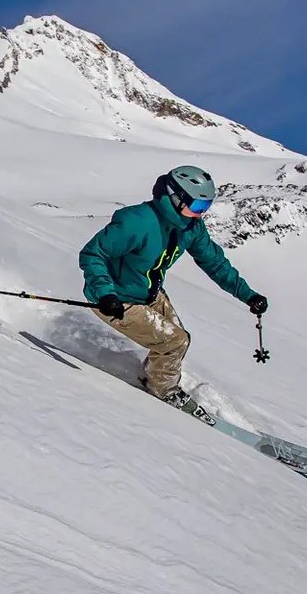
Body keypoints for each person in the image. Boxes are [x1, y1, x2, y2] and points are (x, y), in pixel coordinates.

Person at [78, 165, 269, 411]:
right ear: (175, 197)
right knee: (174, 342)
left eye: (206, 207)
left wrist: (248, 295)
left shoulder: (190, 227)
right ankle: (162, 392)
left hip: (149, 293)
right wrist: (106, 293)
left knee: (179, 339)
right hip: (116, 300)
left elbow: (214, 263)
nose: (201, 214)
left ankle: (151, 375)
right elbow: (93, 254)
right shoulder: (136, 222)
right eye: (198, 207)